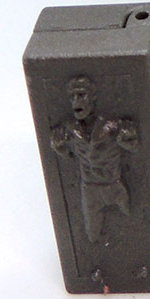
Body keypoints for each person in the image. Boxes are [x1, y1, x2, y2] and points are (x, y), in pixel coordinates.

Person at [51, 75, 138, 245]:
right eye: (72, 97)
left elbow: (134, 147)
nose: (76, 101)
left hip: (113, 185)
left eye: (81, 95)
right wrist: (58, 147)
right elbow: (67, 156)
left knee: (133, 222)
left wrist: (128, 139)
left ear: (93, 97)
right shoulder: (70, 130)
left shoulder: (113, 126)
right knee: (92, 235)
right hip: (89, 188)